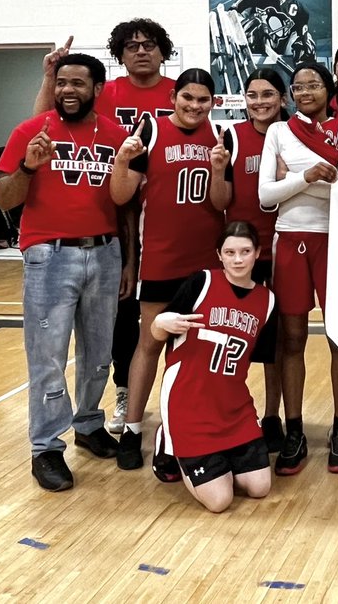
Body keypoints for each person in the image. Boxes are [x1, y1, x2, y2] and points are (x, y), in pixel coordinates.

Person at [31, 19, 178, 436]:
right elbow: (44, 126)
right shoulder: (105, 91)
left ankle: (176, 391)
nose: (141, 51)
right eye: (131, 46)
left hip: (169, 210)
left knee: (172, 310)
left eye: (149, 44)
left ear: (162, 50)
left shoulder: (177, 92)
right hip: (118, 207)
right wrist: (48, 77)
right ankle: (123, 392)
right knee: (123, 312)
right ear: (119, 55)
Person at [0, 53, 128, 491]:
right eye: (62, 83)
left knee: (99, 353)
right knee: (48, 355)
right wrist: (29, 166)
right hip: (50, 256)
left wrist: (129, 259)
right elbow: (3, 199)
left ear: (98, 88)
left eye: (78, 84)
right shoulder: (30, 131)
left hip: (105, 252)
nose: (68, 90)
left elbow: (125, 205)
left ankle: (88, 424)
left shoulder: (114, 135)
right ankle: (46, 447)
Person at [110, 69, 223, 481]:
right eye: (188, 98)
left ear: (214, 102)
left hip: (206, 265)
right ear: (174, 97)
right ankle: (133, 429)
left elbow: (221, 201)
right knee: (149, 345)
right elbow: (121, 195)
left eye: (203, 100)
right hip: (160, 260)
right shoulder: (150, 130)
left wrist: (218, 169)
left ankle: (191, 430)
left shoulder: (219, 137)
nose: (195, 106)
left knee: (197, 352)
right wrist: (122, 161)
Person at [259, 61, 338, 475]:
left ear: (328, 88)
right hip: (290, 240)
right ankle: (295, 430)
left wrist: (294, 179)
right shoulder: (278, 131)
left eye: (313, 85)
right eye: (297, 87)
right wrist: (312, 177)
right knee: (292, 338)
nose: (304, 92)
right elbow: (266, 195)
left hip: (335, 240)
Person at [152, 221, 278, 512]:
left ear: (257, 253)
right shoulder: (201, 282)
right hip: (189, 404)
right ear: (219, 254)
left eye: (245, 251)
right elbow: (157, 334)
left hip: (233, 409)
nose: (237, 259)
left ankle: (221, 459)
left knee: (260, 488)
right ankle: (168, 441)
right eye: (230, 252)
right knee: (220, 502)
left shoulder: (267, 301)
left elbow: (258, 359)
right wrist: (161, 323)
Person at [208, 67, 288, 454]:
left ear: (283, 99)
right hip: (244, 257)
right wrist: (218, 169)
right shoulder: (231, 136)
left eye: (268, 94)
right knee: (232, 337)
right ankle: (229, 413)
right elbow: (220, 202)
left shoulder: (293, 135)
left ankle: (272, 415)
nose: (260, 102)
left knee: (276, 343)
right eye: (253, 95)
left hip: (285, 250)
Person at [227, 0, 315, 78]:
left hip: (277, 60)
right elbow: (233, 15)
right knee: (257, 23)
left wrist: (303, 48)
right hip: (252, 54)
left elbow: (300, 38)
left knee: (306, 41)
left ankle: (305, 76)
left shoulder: (300, 9)